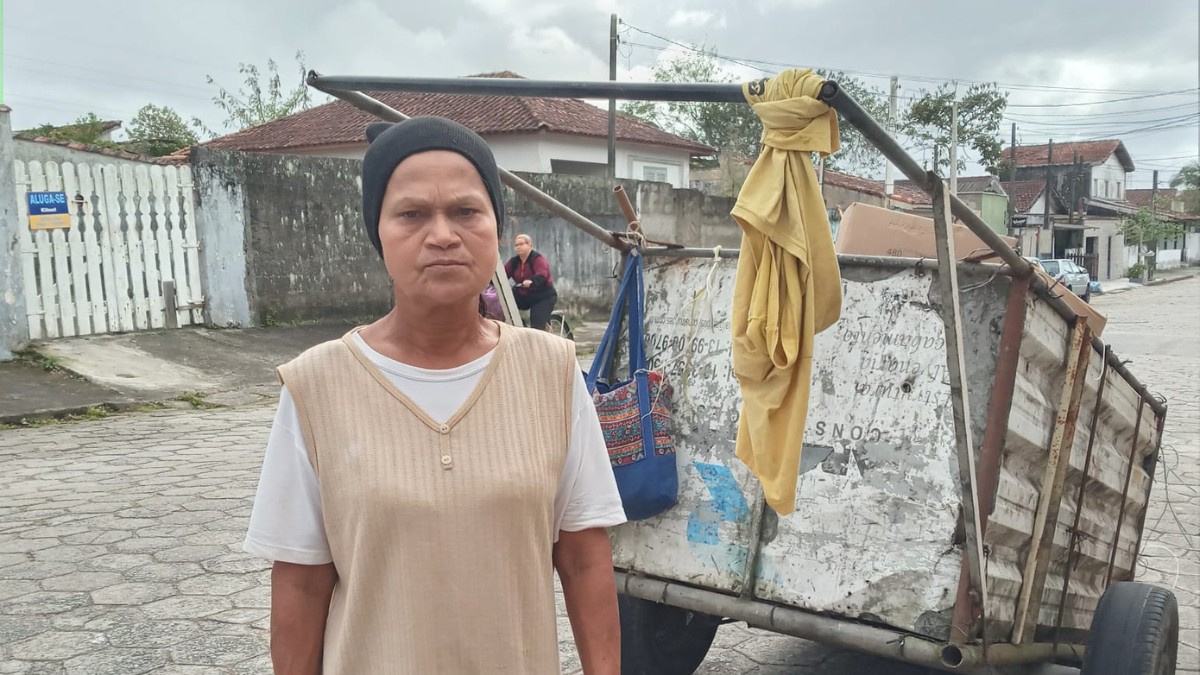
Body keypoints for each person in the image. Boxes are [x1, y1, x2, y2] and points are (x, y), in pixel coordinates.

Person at [243, 116, 626, 674]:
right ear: (379, 232)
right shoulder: (316, 386)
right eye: (412, 214)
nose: (442, 234)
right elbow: (301, 584)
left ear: (497, 228)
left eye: (466, 211)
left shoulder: (551, 370)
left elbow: (585, 558)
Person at [505, 234, 558, 330]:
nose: (518, 247)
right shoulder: (514, 262)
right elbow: (503, 274)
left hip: (542, 297)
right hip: (524, 295)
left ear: (530, 245)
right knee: (504, 306)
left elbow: (542, 275)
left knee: (537, 325)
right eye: (516, 245)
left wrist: (532, 281)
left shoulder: (537, 259)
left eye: (521, 244)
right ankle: (520, 326)